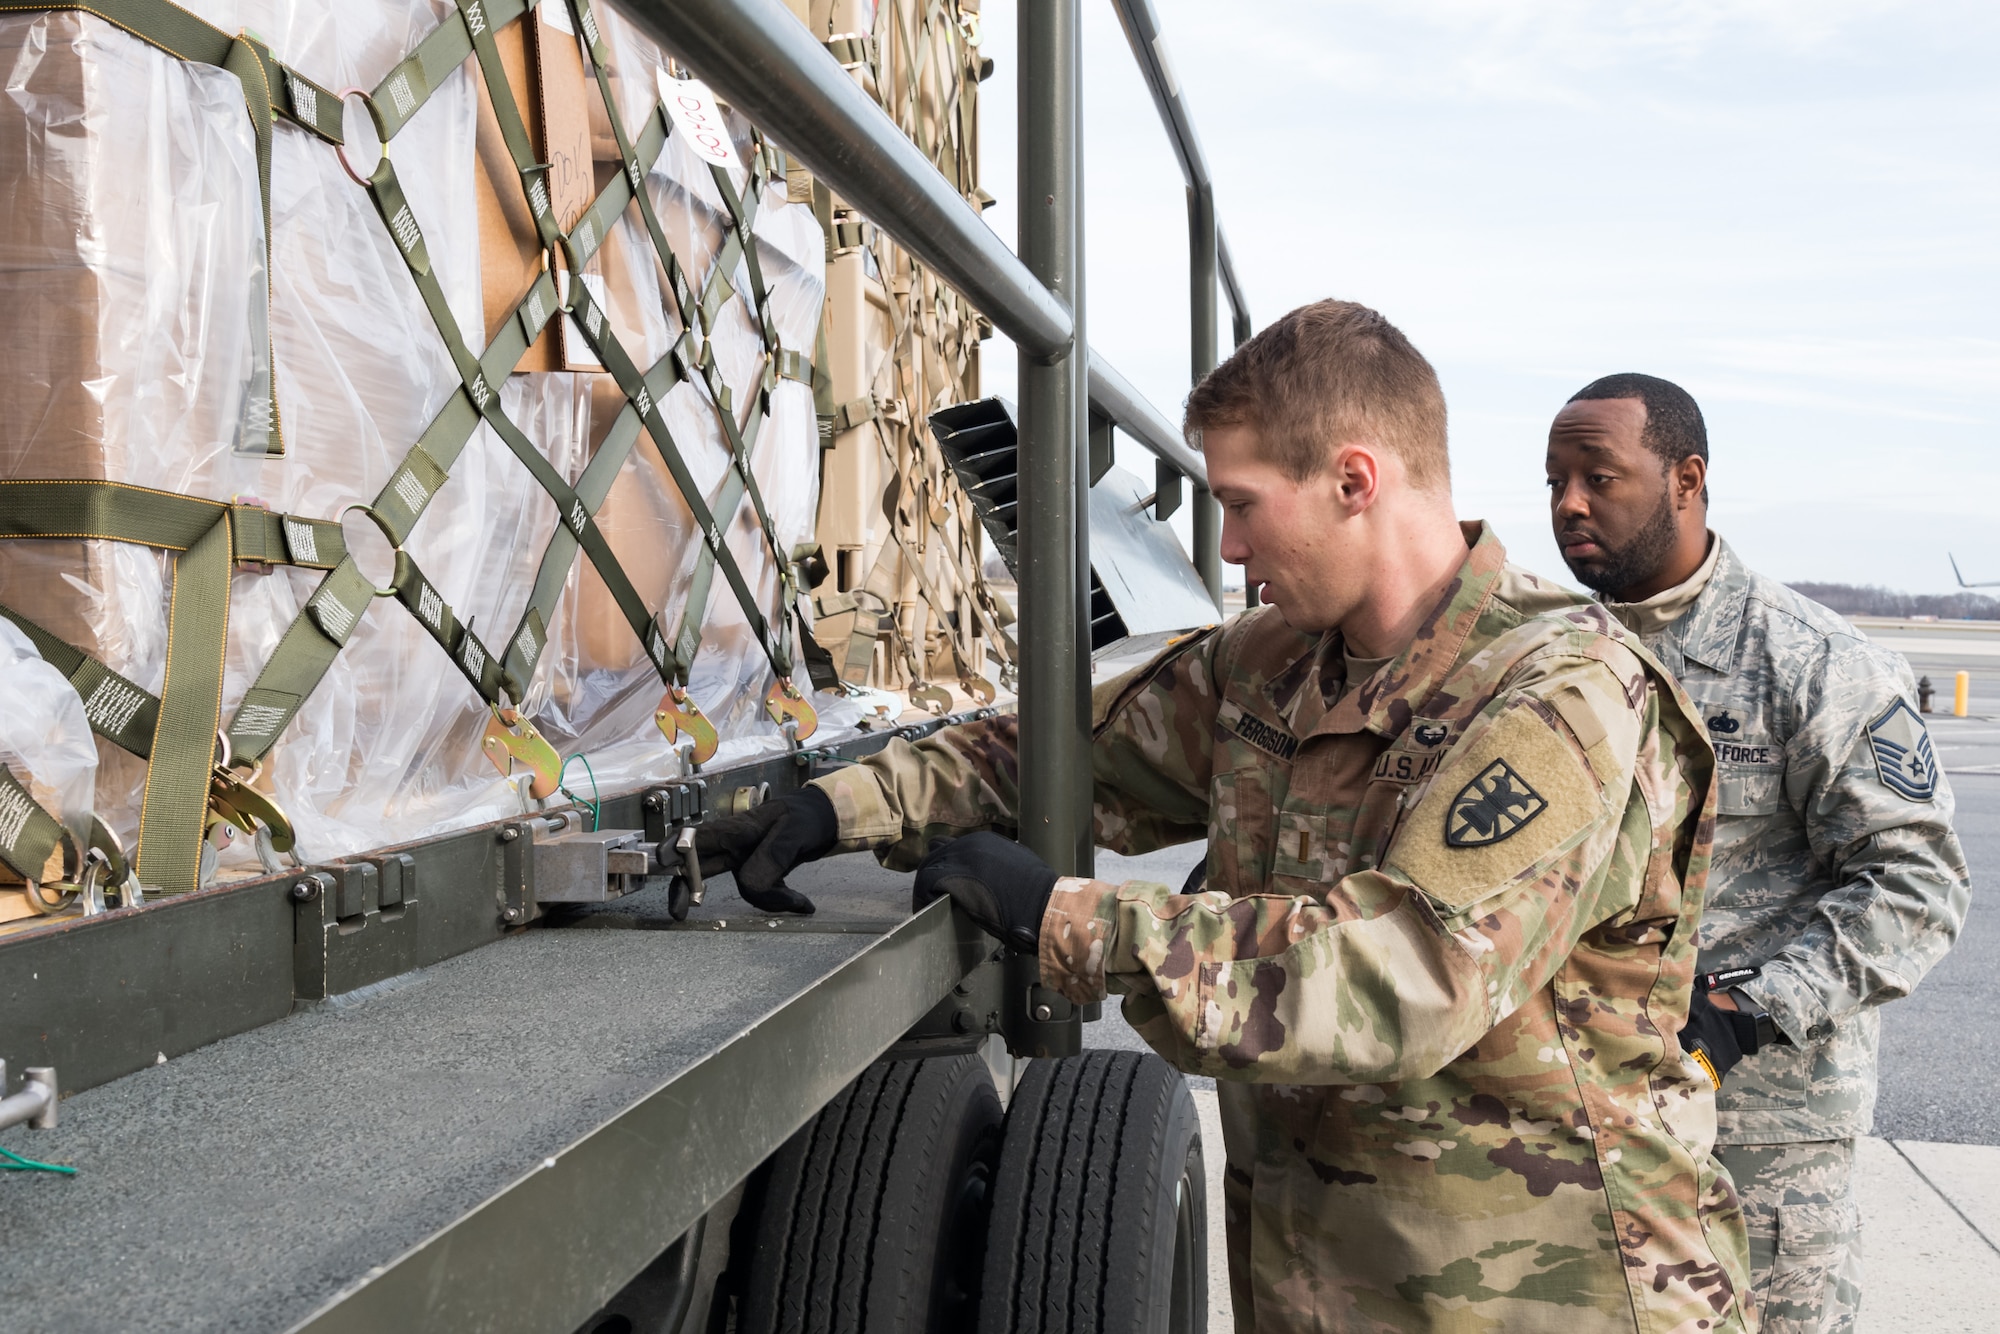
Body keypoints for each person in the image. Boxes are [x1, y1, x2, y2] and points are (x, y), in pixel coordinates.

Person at [705, 303, 1753, 1331]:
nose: (1229, 541)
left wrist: (1069, 917)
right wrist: (834, 804)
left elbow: (1408, 972)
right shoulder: (1270, 660)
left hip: (1549, 1294)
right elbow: (1057, 749)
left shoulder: (1562, 697)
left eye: (1244, 503)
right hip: (1330, 1275)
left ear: (1354, 479)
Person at [1545, 372, 1970, 1333]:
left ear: (1686, 480)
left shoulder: (1813, 662)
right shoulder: (1553, 654)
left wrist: (1748, 1009)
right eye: (1554, 482)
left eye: (1598, 477)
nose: (1569, 504)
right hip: (1572, 1119)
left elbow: (1917, 884)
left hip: (1757, 1137)